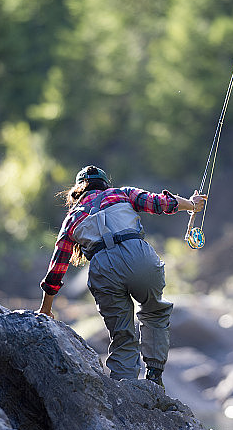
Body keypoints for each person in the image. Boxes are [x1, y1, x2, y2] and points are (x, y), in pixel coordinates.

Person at [37, 165, 207, 388]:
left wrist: (46, 309)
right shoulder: (121, 193)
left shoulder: (71, 218)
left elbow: (57, 269)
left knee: (121, 335)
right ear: (105, 184)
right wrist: (192, 205)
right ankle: (154, 375)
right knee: (155, 311)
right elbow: (160, 203)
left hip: (102, 268)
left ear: (77, 192)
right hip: (138, 256)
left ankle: (124, 390)